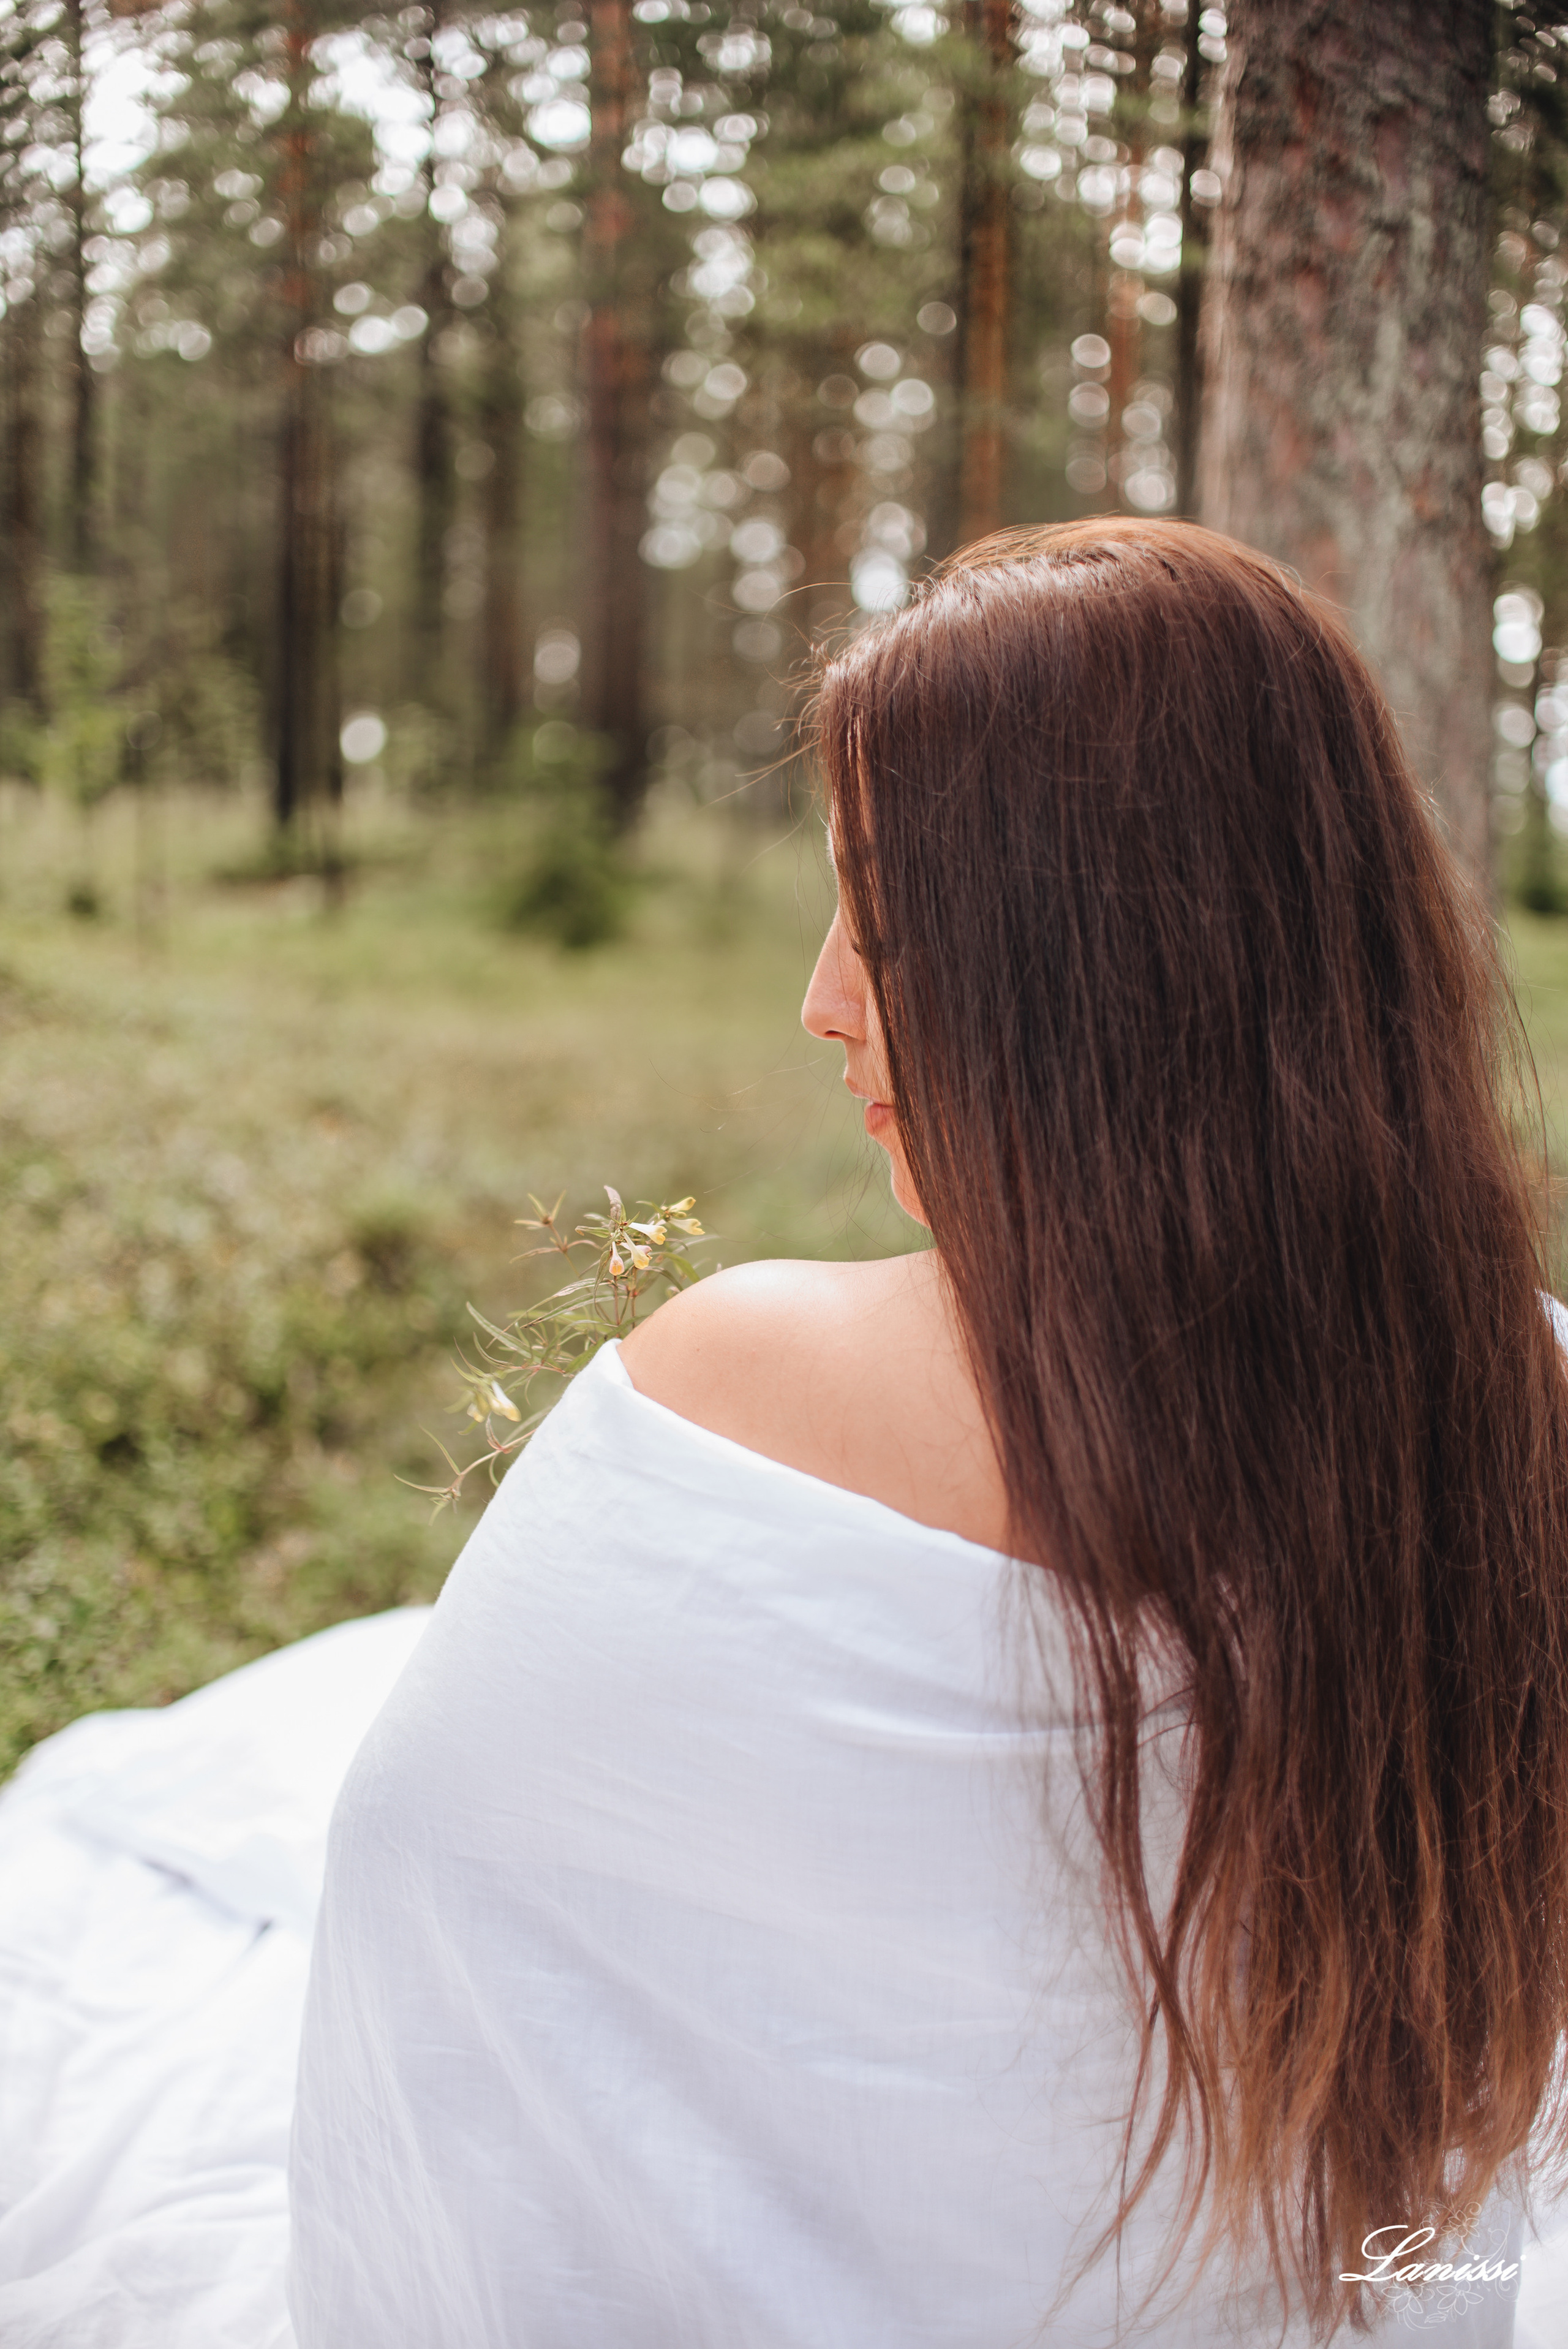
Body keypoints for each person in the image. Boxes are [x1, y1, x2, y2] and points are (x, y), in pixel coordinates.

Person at [2, 521, 1566, 2348]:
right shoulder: (1519, 1403)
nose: (822, 996)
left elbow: (435, 1949)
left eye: (887, 924)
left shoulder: (743, 1378)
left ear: (1098, 985)